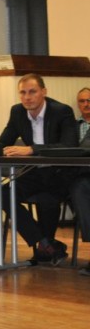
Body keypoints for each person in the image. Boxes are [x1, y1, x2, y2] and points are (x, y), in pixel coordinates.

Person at [0, 74, 78, 265]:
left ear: (44, 92)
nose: (27, 97)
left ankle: (45, 248)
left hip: (59, 173)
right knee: (4, 193)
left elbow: (69, 145)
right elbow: (3, 142)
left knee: (47, 199)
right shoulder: (17, 111)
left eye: (32, 92)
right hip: (33, 172)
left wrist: (32, 149)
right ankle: (45, 243)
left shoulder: (62, 111)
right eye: (22, 93)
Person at [74, 87, 90, 276]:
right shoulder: (71, 125)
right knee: (80, 189)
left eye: (89, 100)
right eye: (82, 101)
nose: (86, 104)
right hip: (76, 175)